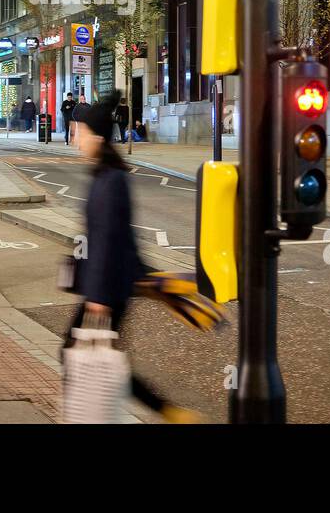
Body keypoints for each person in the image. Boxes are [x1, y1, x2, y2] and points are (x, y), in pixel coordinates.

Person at [66, 95, 199, 423]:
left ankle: (164, 411)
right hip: (109, 285)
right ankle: (164, 411)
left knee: (89, 356)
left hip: (107, 289)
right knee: (96, 356)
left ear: (96, 136)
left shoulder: (109, 180)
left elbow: (109, 239)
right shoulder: (107, 174)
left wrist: (97, 296)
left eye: (79, 132)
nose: (75, 139)